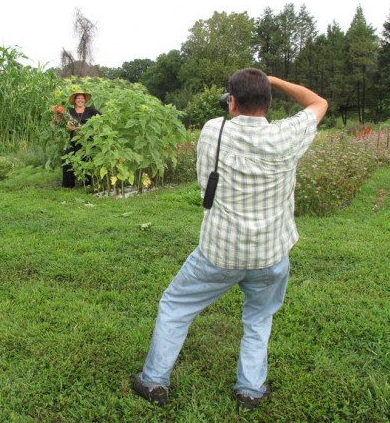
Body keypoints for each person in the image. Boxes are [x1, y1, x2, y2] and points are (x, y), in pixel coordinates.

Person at [132, 68, 328, 409]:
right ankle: (250, 390)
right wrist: (276, 82)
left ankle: (153, 382)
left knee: (176, 307)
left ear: (231, 101)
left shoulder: (213, 131)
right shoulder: (287, 136)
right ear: (269, 101)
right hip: (271, 254)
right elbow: (318, 102)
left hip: (218, 252)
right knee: (258, 318)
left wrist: (246, 96)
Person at [61, 90, 101, 188]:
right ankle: (68, 185)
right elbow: (66, 126)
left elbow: (101, 118)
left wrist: (92, 128)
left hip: (87, 140)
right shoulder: (70, 112)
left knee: (87, 160)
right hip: (74, 140)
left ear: (85, 100)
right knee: (67, 160)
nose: (80, 100)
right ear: (75, 100)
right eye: (78, 98)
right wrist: (69, 128)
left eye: (82, 98)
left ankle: (87, 184)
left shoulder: (90, 110)